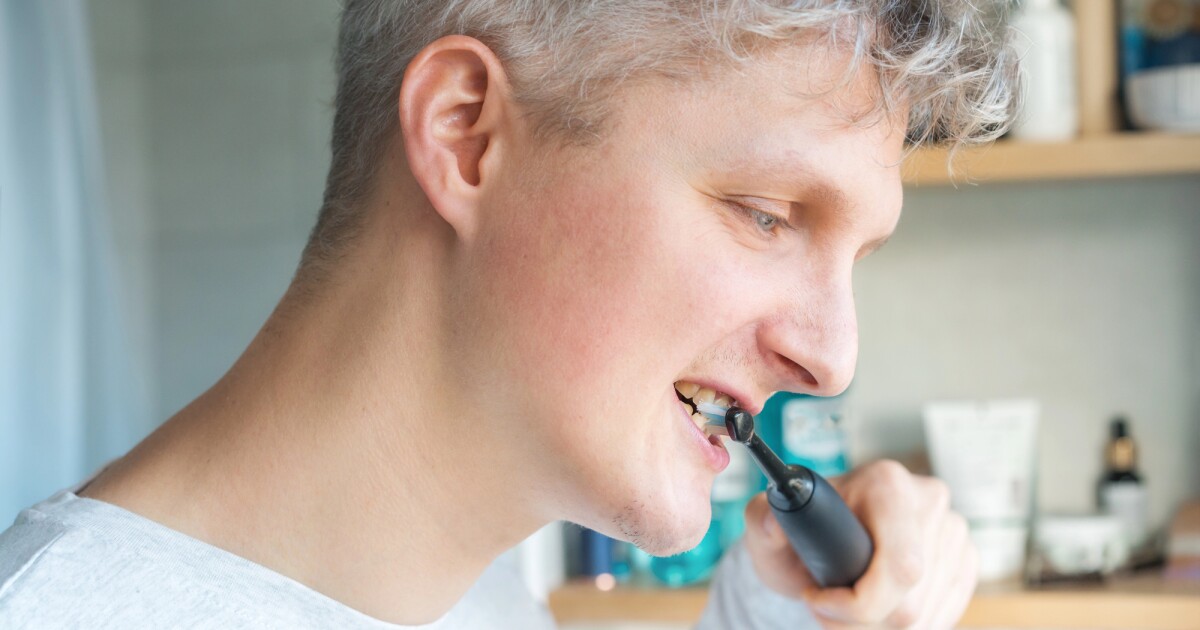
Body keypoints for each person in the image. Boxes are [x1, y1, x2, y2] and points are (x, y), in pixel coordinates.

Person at [0, 1, 1018, 627]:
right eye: (765, 214)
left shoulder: (471, 598)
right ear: (467, 135)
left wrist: (781, 612)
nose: (834, 359)